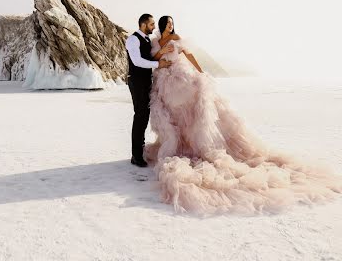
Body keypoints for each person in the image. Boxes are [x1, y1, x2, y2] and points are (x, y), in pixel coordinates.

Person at [143, 15, 342, 216]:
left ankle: (193, 144)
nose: (170, 25)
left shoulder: (177, 37)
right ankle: (178, 142)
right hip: (163, 81)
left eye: (171, 23)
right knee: (174, 116)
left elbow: (189, 55)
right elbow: (154, 59)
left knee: (191, 108)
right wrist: (162, 52)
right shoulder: (156, 42)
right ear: (161, 26)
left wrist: (200, 71)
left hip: (181, 76)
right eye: (167, 23)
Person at [125, 14, 173, 167]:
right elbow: (137, 61)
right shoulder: (133, 40)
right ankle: (136, 156)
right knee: (140, 116)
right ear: (144, 24)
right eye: (152, 24)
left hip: (146, 81)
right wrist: (159, 64)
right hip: (136, 81)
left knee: (144, 116)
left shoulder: (146, 39)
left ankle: (141, 150)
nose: (154, 27)